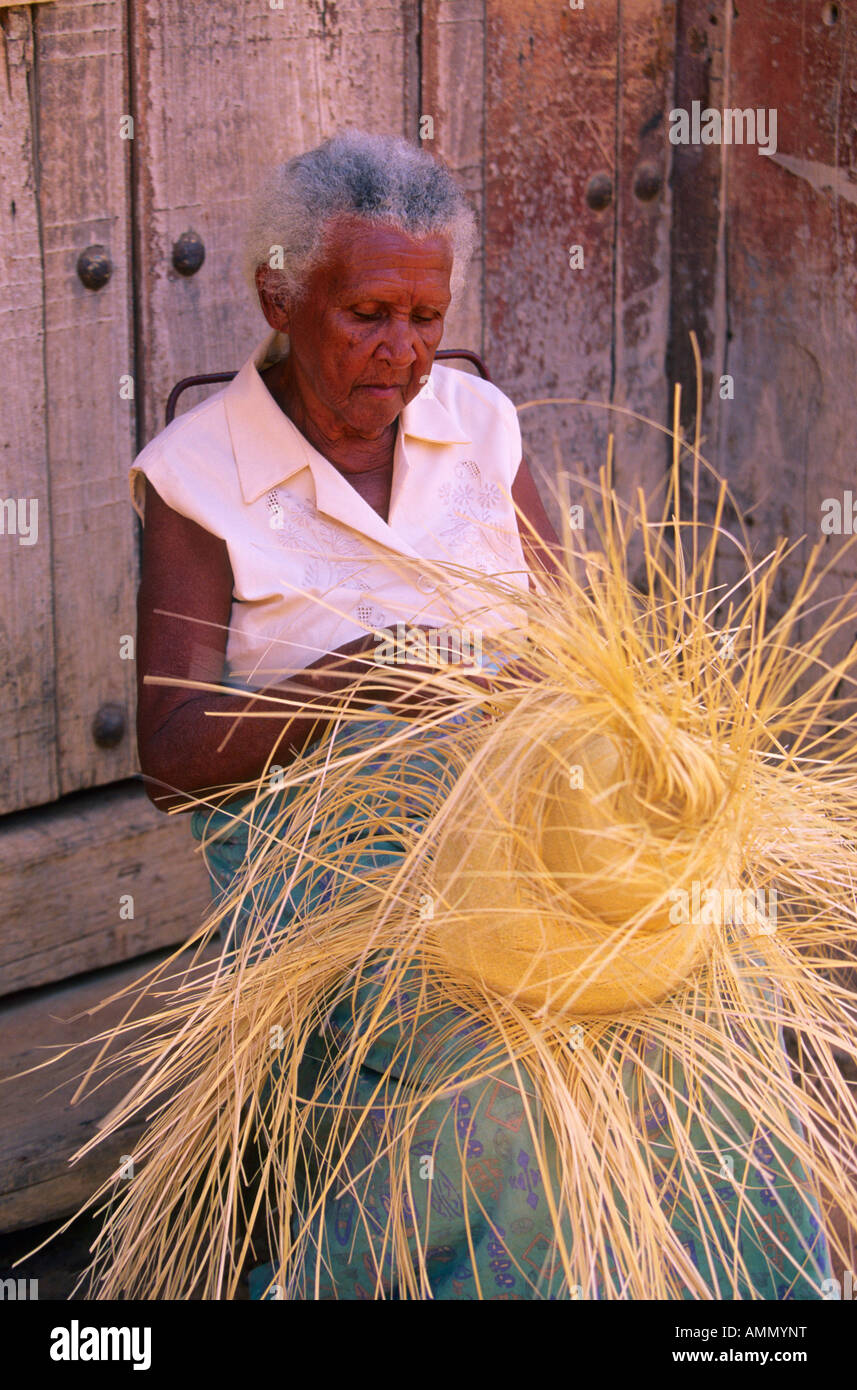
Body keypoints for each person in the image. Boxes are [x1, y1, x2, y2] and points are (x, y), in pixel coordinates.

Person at [128, 130, 833, 1300]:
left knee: (721, 978)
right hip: (344, 873)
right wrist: (366, 673)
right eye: (366, 313)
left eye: (423, 316)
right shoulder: (197, 477)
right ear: (276, 292)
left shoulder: (476, 422)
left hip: (528, 827)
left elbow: (569, 642)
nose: (402, 354)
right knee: (502, 1061)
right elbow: (173, 757)